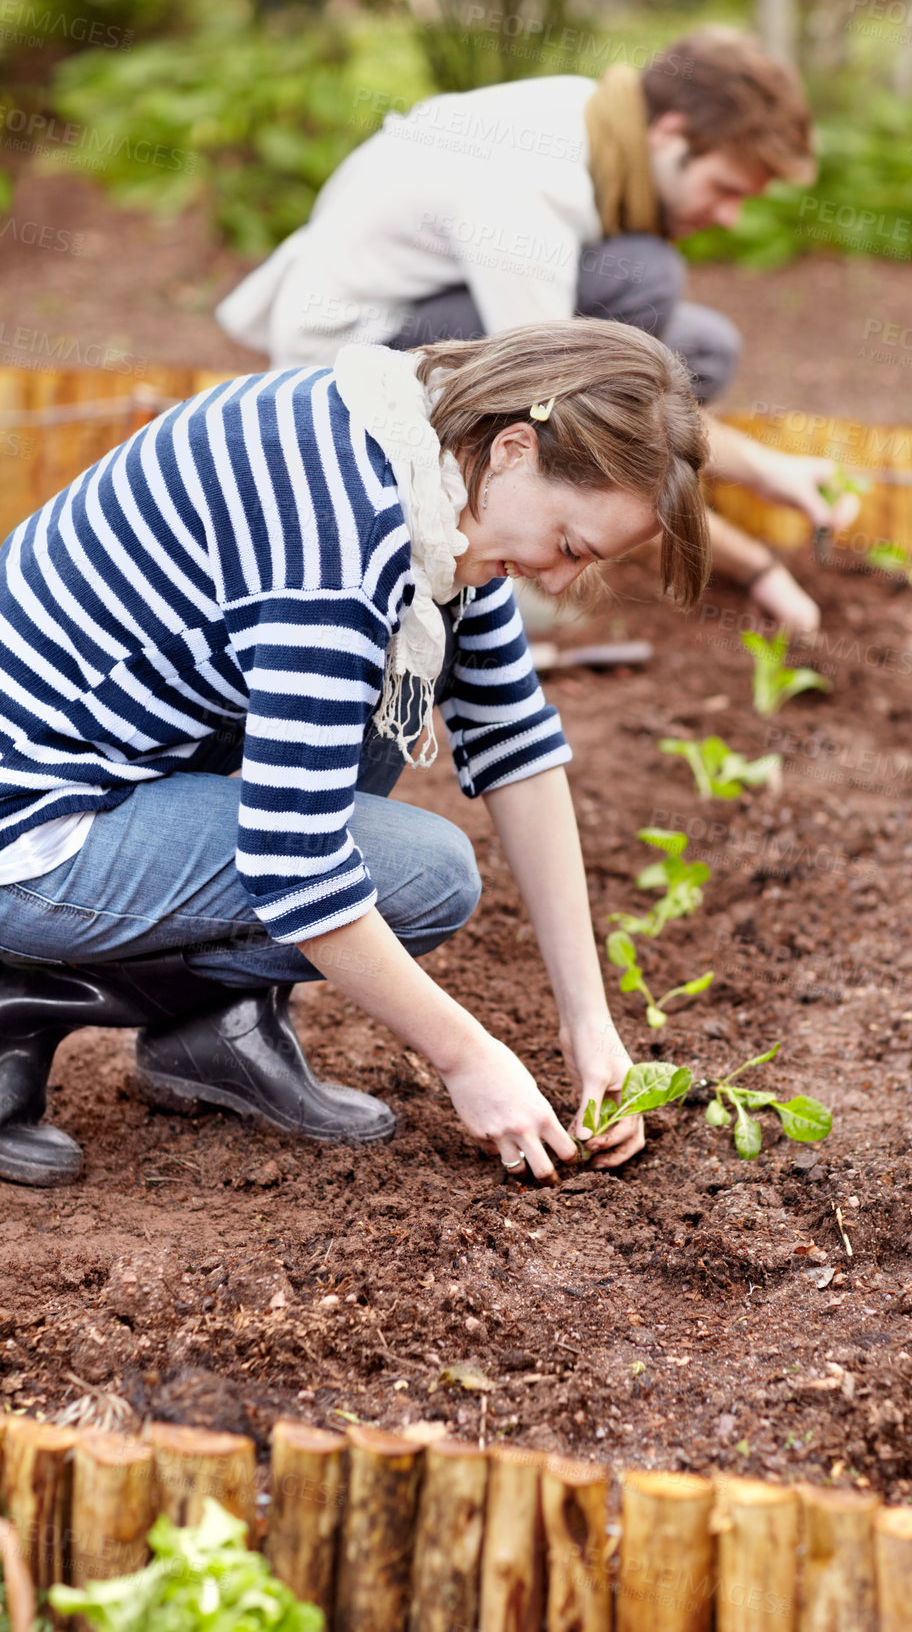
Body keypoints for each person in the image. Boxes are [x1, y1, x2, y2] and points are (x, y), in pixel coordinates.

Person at [0, 319, 708, 1190]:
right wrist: (467, 1057)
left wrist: (588, 1023)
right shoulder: (343, 532)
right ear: (518, 447)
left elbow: (511, 735)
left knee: (373, 709)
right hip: (31, 823)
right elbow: (291, 862)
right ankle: (21, 993)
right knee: (425, 877)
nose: (556, 580)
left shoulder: (430, 464)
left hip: (114, 757)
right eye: (568, 546)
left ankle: (210, 1033)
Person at [217, 27, 857, 632]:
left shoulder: (594, 120)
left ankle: (546, 511)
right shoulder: (531, 187)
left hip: (414, 312)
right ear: (671, 132)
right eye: (723, 188)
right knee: (645, 286)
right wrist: (759, 554)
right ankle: (496, 543)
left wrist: (761, 472)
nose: (731, 216)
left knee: (699, 349)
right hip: (344, 369)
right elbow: (578, 404)